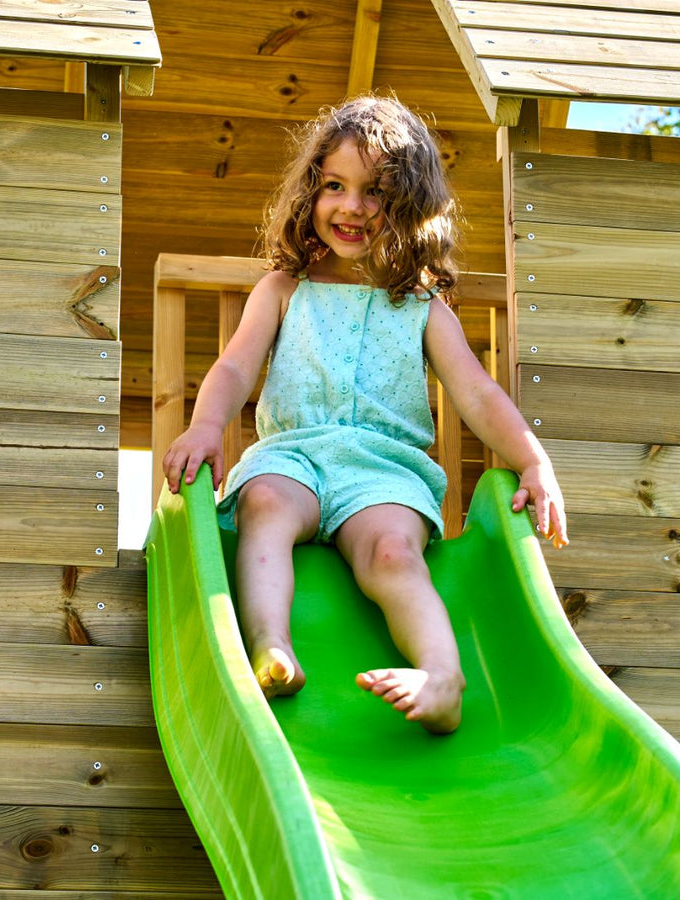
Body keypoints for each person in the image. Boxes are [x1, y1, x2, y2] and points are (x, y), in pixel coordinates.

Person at [163, 95, 567, 735]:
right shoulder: (284, 290)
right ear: (310, 193)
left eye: (375, 192)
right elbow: (236, 368)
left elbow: (476, 394)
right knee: (263, 503)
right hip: (294, 455)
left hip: (383, 470)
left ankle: (443, 677)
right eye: (334, 186)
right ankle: (270, 646)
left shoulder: (424, 308)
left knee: (391, 552)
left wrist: (533, 462)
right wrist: (207, 425)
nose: (351, 206)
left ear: (410, 206)